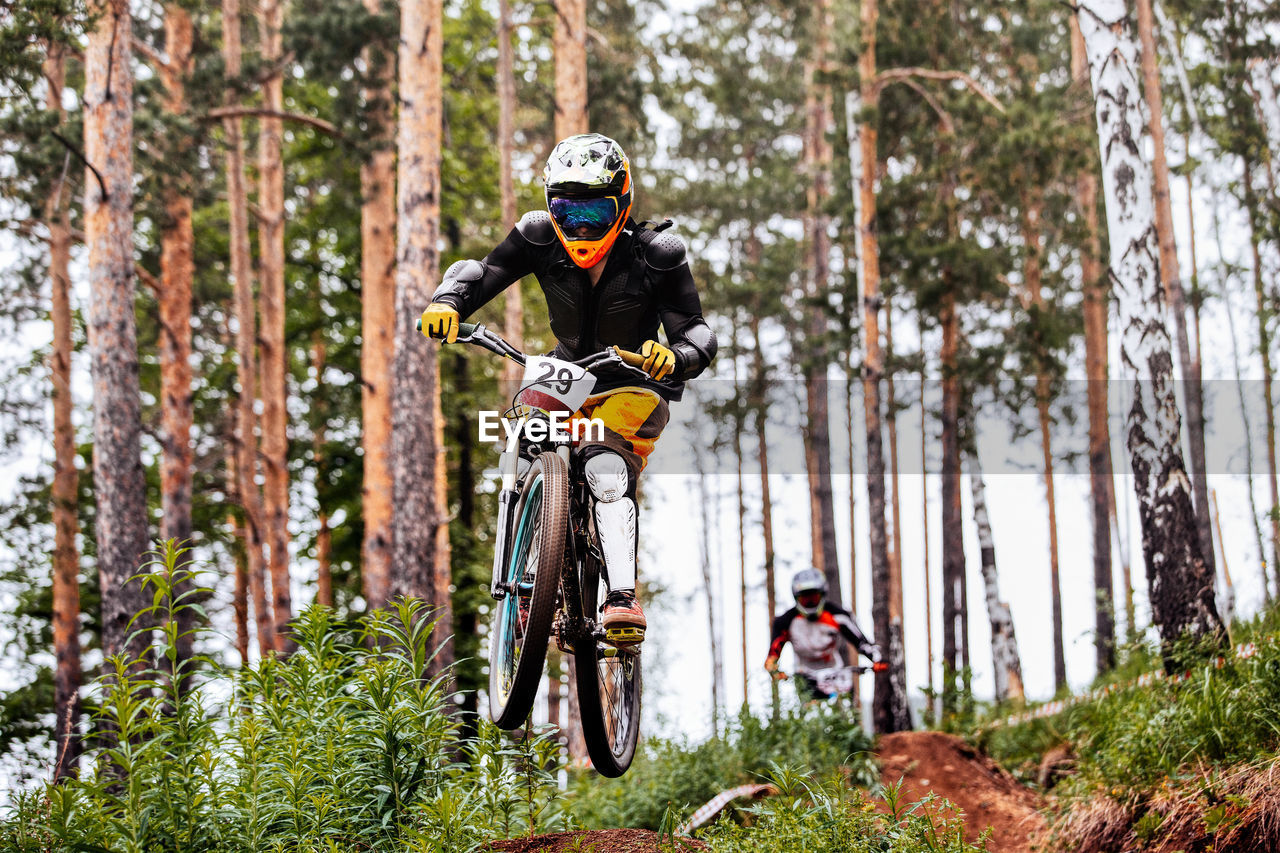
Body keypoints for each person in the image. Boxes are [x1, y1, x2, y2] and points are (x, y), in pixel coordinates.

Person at [420, 133, 717, 645]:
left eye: (594, 215)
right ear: (549, 206)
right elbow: (480, 272)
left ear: (622, 205)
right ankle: (536, 569)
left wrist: (675, 358)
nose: (579, 228)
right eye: (566, 211)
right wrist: (449, 302)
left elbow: (697, 332)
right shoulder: (536, 235)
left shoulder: (658, 255)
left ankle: (621, 598)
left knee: (604, 468)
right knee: (524, 439)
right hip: (565, 371)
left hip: (633, 381)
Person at [764, 568, 886, 699]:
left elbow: (861, 643)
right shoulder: (785, 622)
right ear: (796, 598)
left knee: (847, 709)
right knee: (810, 713)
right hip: (805, 677)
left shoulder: (838, 615)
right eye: (805, 599)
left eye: (813, 597)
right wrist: (775, 670)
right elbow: (772, 657)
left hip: (837, 674)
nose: (809, 602)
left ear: (822, 595)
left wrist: (877, 659)